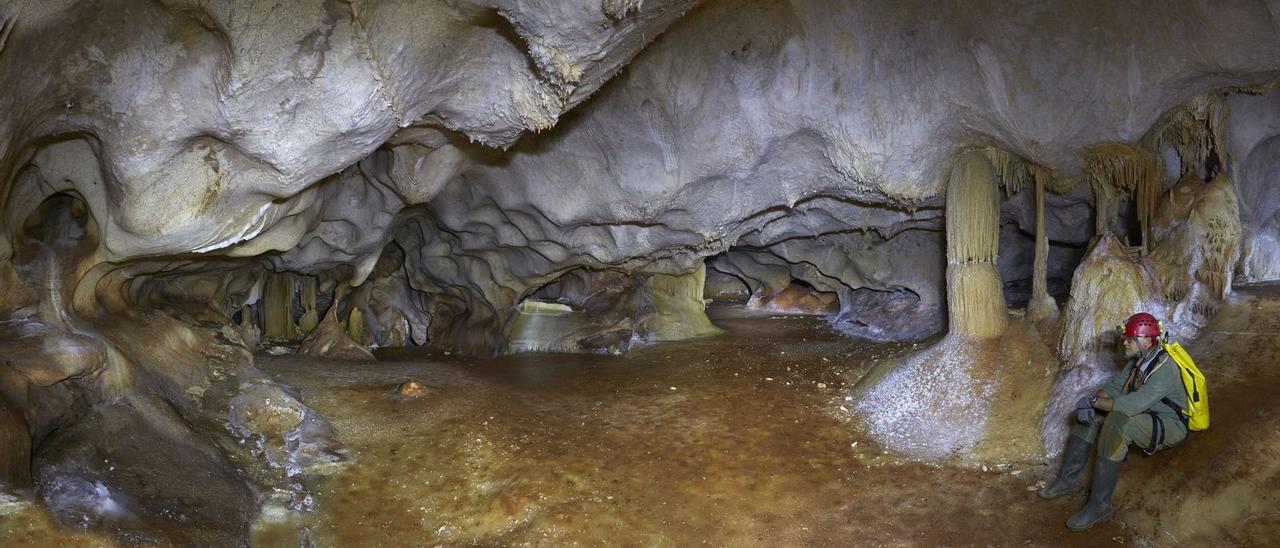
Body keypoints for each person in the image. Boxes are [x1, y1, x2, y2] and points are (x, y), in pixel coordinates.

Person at [1038, 312, 1190, 531]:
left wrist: (1091, 400)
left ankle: (1100, 506)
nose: (1125, 343)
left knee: (1117, 422)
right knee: (1090, 416)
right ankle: (1067, 479)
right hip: (1145, 413)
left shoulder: (1165, 369)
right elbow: (1112, 389)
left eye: (1130, 339)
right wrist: (1089, 403)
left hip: (1169, 424)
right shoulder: (1138, 362)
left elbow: (1130, 406)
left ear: (1146, 341)